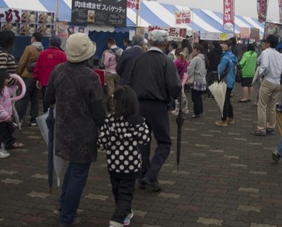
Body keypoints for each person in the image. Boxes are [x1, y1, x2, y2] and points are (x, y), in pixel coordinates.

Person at [44, 32, 107, 227]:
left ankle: (63, 205)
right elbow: (99, 112)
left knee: (73, 168)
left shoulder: (57, 71)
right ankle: (66, 218)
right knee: (79, 173)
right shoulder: (91, 77)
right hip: (84, 134)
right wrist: (105, 129)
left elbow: (47, 100)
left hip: (63, 129)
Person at [128, 30, 181, 191]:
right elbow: (174, 86)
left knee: (143, 141)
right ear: (165, 43)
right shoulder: (166, 61)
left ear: (149, 41)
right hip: (158, 106)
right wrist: (177, 97)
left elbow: (129, 81)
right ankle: (151, 175)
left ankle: (144, 174)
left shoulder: (139, 59)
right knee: (164, 142)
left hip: (138, 105)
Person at [97, 86, 150, 227]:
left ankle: (122, 213)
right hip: (131, 166)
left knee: (117, 191)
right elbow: (145, 139)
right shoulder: (139, 121)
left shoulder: (109, 121)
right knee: (126, 194)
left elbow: (101, 143)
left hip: (114, 164)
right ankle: (117, 219)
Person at [251, 35, 282, 135]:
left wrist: (261, 74)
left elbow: (264, 66)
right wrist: (278, 72)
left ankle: (261, 128)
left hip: (268, 81)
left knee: (262, 106)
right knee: (272, 107)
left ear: (268, 43)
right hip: (277, 83)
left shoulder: (265, 52)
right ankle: (270, 127)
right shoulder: (280, 55)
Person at [0, 70, 26, 159]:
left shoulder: (4, 89)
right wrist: (5, 116)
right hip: (1, 117)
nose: (7, 80)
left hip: (6, 116)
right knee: (1, 132)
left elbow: (10, 91)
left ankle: (0, 144)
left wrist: (17, 86)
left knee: (9, 129)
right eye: (6, 79)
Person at [33, 35, 67, 113]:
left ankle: (46, 118)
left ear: (50, 43)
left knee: (46, 102)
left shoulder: (42, 54)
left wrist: (37, 79)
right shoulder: (62, 55)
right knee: (57, 103)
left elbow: (37, 67)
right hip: (58, 83)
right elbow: (65, 70)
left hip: (45, 83)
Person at [16, 32, 43, 126]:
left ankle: (18, 119)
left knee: (22, 97)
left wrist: (18, 73)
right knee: (34, 99)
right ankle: (33, 120)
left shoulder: (29, 48)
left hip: (28, 75)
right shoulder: (42, 49)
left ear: (34, 38)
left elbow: (22, 61)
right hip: (37, 77)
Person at [215, 39, 238, 127]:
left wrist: (218, 67)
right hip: (231, 80)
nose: (223, 45)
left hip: (225, 81)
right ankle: (231, 118)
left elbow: (220, 70)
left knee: (223, 101)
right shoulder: (233, 57)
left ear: (230, 46)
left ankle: (223, 120)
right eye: (223, 44)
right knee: (227, 100)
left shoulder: (225, 58)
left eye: (225, 44)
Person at [187, 44, 208, 118]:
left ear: (198, 51)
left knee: (195, 98)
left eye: (194, 49)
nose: (193, 51)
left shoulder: (196, 59)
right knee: (198, 97)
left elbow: (190, 69)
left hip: (196, 80)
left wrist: (188, 76)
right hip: (202, 80)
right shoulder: (203, 58)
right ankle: (200, 112)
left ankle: (197, 112)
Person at [103, 38, 123, 112]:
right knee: (118, 89)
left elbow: (105, 64)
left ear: (109, 44)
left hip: (109, 73)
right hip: (118, 73)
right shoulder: (121, 50)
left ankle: (111, 106)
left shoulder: (107, 52)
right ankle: (118, 104)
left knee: (110, 89)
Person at [172, 49, 189, 115]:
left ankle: (177, 110)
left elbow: (173, 71)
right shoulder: (186, 62)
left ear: (177, 55)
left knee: (177, 95)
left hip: (177, 79)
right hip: (183, 80)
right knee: (182, 94)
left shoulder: (177, 62)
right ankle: (185, 108)